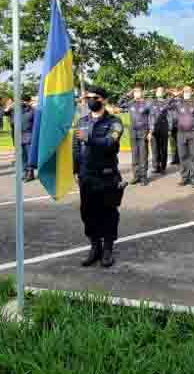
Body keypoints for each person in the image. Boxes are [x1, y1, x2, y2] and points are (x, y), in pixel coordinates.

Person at [74, 87, 125, 268]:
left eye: (93, 98)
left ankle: (108, 250)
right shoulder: (81, 122)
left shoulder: (114, 122)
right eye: (87, 98)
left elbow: (110, 143)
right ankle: (95, 247)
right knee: (88, 213)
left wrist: (89, 138)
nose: (89, 101)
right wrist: (75, 169)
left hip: (106, 176)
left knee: (108, 213)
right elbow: (76, 148)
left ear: (102, 100)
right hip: (86, 176)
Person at [168, 86, 194, 188]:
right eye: (184, 92)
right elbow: (167, 105)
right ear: (182, 93)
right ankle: (184, 178)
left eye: (188, 91)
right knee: (183, 156)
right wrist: (174, 96)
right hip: (181, 133)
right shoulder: (178, 103)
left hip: (193, 133)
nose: (186, 93)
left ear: (191, 92)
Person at [121, 85, 154, 185]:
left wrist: (150, 131)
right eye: (135, 92)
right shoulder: (130, 103)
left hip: (143, 131)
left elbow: (151, 118)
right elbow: (120, 104)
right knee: (135, 155)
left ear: (142, 93)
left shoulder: (147, 104)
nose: (137, 94)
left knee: (143, 155)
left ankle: (144, 177)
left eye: (138, 92)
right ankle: (136, 176)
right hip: (133, 132)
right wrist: (127, 95)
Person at [149, 87, 171, 174]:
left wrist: (169, 128)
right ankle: (156, 166)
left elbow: (169, 116)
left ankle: (163, 167)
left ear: (163, 93)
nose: (159, 92)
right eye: (157, 91)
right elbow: (150, 116)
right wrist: (150, 128)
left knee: (163, 149)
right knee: (155, 149)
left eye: (161, 91)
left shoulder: (166, 102)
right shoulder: (152, 102)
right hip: (154, 128)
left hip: (163, 128)